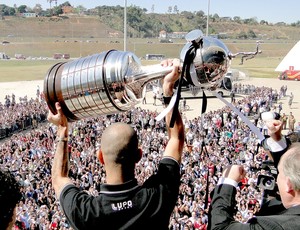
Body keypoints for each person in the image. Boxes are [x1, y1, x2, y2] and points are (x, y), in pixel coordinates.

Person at [47, 59, 185, 229]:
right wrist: (167, 88)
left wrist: (62, 130)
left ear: (100, 157)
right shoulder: (156, 198)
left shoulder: (86, 213)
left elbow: (59, 178)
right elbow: (176, 139)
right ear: (139, 156)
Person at [208, 142, 300, 229]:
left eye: (279, 173)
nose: (276, 180)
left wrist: (228, 181)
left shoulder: (272, 226)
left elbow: (219, 228)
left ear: (289, 185)